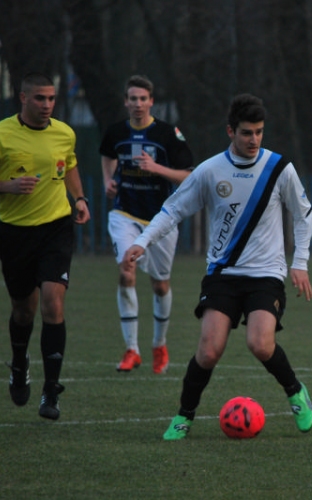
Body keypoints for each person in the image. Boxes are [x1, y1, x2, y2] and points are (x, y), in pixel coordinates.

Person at [122, 93, 312, 440]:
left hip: (266, 275)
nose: (254, 139)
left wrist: (299, 262)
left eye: (258, 132)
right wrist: (143, 241)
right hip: (223, 275)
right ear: (230, 131)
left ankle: (296, 392)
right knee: (209, 351)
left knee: (260, 344)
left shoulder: (279, 168)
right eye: (246, 133)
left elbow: (302, 215)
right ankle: (183, 416)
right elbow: (172, 210)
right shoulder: (210, 171)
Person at [0, 72, 91, 421]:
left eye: (51, 98)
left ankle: (51, 391)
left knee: (53, 301)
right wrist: (8, 185)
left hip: (56, 228)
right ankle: (19, 364)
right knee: (24, 311)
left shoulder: (64, 133)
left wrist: (79, 198)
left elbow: (70, 165)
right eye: (39, 98)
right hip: (16, 234)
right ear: (23, 98)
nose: (47, 105)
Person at [100, 75, 194, 374]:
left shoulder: (168, 134)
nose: (138, 104)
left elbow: (189, 175)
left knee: (160, 284)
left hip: (161, 218)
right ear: (125, 101)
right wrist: (108, 181)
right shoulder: (116, 131)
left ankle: (159, 344)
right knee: (126, 270)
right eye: (132, 98)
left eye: (143, 98)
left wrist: (156, 168)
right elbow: (107, 154)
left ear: (151, 101)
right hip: (124, 214)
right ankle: (132, 350)